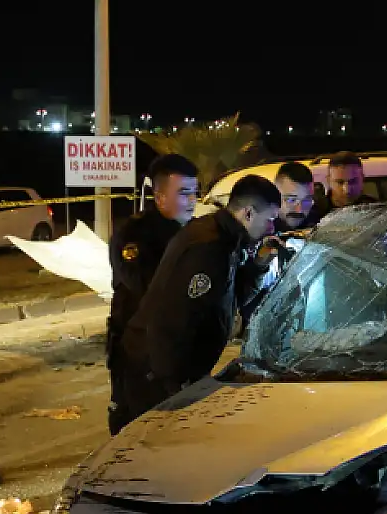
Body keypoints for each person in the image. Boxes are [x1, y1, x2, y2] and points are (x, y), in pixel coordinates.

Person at [115, 174, 281, 428]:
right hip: (156, 372)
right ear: (248, 213)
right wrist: (175, 383)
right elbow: (172, 318)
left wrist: (259, 264)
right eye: (268, 219)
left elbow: (232, 297)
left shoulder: (225, 238)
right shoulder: (209, 246)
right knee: (156, 447)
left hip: (173, 369)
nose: (271, 227)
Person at [106, 153, 201, 435]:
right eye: (184, 193)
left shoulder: (192, 233)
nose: (192, 201)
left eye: (195, 193)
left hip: (175, 347)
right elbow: (148, 287)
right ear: (159, 197)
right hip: (138, 347)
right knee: (134, 426)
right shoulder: (135, 235)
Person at [273, 161, 318, 229]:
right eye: (291, 200)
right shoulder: (260, 233)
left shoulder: (320, 222)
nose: (299, 210)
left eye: (306, 201)